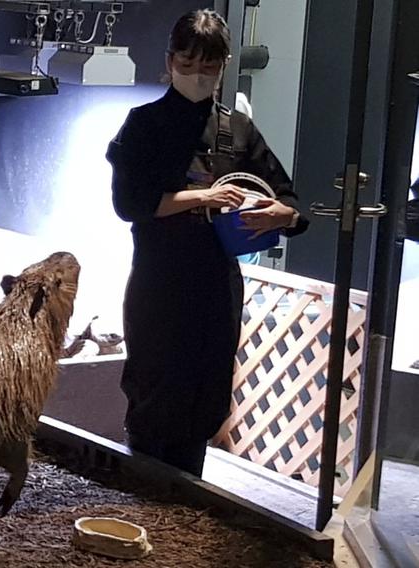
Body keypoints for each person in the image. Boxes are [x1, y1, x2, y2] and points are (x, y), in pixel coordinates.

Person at [105, 8, 309, 476]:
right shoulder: (144, 124)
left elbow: (289, 198)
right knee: (155, 393)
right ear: (170, 60)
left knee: (205, 395)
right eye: (187, 62)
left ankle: (187, 503)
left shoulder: (237, 129)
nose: (198, 75)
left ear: (225, 65)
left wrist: (285, 213)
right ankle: (142, 493)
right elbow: (130, 204)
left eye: (209, 66)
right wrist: (204, 195)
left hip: (216, 286)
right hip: (160, 285)